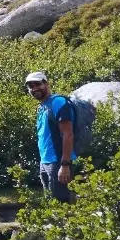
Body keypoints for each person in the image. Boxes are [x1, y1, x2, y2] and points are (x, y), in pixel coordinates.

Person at [25, 72, 76, 203]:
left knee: (62, 204)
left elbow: (68, 134)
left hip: (58, 161)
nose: (34, 89)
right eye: (31, 86)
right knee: (51, 202)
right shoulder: (42, 106)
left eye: (38, 84)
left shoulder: (58, 102)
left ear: (46, 84)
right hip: (45, 161)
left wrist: (65, 165)